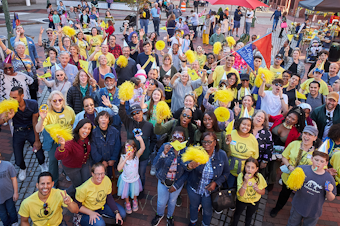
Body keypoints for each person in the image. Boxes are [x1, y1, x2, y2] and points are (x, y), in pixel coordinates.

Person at [270, 125, 320, 218]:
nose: (306, 136)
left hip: (305, 181)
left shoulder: (317, 152)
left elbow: (319, 167)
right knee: (284, 194)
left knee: (301, 198)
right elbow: (284, 156)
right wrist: (289, 166)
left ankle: (297, 214)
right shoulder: (294, 144)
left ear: (315, 137)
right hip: (289, 176)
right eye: (305, 133)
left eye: (310, 134)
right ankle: (277, 208)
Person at [1, 87, 48, 181]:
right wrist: (7, 118)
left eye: (14, 97)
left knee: (39, 152)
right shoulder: (9, 106)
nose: (12, 100)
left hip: (31, 129)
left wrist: (37, 140)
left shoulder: (33, 103)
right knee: (17, 157)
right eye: (11, 97)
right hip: (18, 132)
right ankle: (22, 168)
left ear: (22, 96)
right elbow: (1, 121)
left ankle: (42, 164)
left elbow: (35, 122)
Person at [186, 132, 230, 226]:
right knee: (193, 206)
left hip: (209, 192)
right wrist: (189, 166)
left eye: (209, 142)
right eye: (204, 142)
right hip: (194, 188)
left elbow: (226, 173)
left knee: (207, 211)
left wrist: (216, 183)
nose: (206, 144)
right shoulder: (196, 153)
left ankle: (205, 224)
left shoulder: (222, 155)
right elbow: (185, 168)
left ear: (215, 142)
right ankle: (193, 221)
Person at [36, 91, 76, 186]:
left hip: (66, 140)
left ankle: (67, 173)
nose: (57, 102)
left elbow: (73, 124)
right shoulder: (47, 113)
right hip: (52, 141)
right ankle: (54, 182)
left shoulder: (69, 110)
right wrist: (42, 119)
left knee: (67, 158)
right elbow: (38, 129)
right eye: (54, 101)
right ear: (50, 102)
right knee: (53, 160)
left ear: (63, 100)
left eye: (60, 100)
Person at [286, 151, 336, 226]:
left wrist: (329, 192)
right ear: (312, 158)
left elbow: (331, 198)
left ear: (326, 163)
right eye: (316, 160)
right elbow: (293, 186)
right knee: (292, 224)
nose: (318, 163)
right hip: (298, 206)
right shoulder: (301, 169)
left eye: (322, 161)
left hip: (314, 211)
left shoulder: (329, 179)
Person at [151, 127, 189, 226]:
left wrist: (176, 185)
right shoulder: (165, 146)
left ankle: (169, 217)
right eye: (174, 137)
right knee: (161, 202)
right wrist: (163, 153)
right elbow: (155, 164)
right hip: (163, 181)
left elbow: (187, 172)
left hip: (176, 183)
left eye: (180, 137)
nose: (177, 140)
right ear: (171, 138)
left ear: (184, 139)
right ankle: (159, 215)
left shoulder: (186, 151)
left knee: (172, 202)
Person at [119, 101, 157, 198]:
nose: (136, 115)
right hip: (130, 156)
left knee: (141, 174)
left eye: (138, 112)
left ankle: (140, 191)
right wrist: (122, 104)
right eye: (133, 114)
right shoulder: (129, 123)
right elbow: (122, 114)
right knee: (129, 173)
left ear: (142, 112)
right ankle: (130, 192)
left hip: (143, 156)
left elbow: (153, 139)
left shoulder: (149, 125)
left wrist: (149, 150)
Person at [267, 106, 305, 191]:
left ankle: (270, 183)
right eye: (289, 116)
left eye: (293, 119)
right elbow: (270, 118)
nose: (289, 119)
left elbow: (292, 147)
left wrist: (284, 158)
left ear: (297, 121)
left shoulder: (295, 133)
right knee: (265, 166)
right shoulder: (280, 118)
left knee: (273, 169)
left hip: (279, 153)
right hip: (267, 146)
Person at [55, 119, 93, 198]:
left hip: (84, 163)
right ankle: (65, 195)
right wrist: (62, 146)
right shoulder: (70, 141)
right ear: (79, 128)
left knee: (86, 182)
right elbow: (58, 156)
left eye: (89, 128)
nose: (87, 131)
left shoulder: (87, 137)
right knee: (78, 185)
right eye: (84, 128)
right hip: (72, 167)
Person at [232, 158, 266, 226]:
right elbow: (241, 194)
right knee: (237, 214)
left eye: (253, 167)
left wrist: (258, 190)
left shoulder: (259, 177)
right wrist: (245, 182)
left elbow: (263, 192)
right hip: (242, 201)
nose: (250, 170)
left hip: (254, 201)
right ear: (244, 167)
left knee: (249, 217)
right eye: (248, 167)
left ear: (256, 169)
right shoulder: (241, 176)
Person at [226, 117, 259, 187]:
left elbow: (255, 157)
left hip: (245, 172)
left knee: (241, 191)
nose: (246, 127)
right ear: (239, 124)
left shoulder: (253, 139)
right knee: (228, 190)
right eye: (244, 124)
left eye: (248, 125)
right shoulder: (231, 133)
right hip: (229, 169)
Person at [117, 135, 145, 214]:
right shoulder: (123, 157)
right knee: (125, 193)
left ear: (134, 149)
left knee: (135, 191)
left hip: (135, 179)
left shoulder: (136, 156)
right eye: (127, 148)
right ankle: (127, 203)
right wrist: (125, 159)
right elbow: (119, 168)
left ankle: (135, 200)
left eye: (130, 148)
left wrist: (140, 139)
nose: (128, 150)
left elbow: (143, 148)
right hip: (125, 180)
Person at [91, 110, 121, 178]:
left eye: (106, 118)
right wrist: (101, 161)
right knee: (99, 178)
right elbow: (93, 150)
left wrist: (113, 159)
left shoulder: (115, 132)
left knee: (110, 178)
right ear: (98, 120)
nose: (103, 120)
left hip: (111, 163)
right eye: (101, 118)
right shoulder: (93, 133)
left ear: (109, 121)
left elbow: (117, 146)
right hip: (98, 163)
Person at [252, 110, 273, 179]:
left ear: (264, 121)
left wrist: (264, 161)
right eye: (258, 116)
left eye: (262, 118)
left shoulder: (267, 133)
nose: (259, 118)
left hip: (258, 162)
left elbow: (269, 148)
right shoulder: (247, 128)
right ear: (253, 117)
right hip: (243, 160)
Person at [0, 160, 19, 226]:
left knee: (12, 210)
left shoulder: (8, 165)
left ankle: (14, 223)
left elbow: (14, 179)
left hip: (9, 195)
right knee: (2, 214)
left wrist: (16, 192)